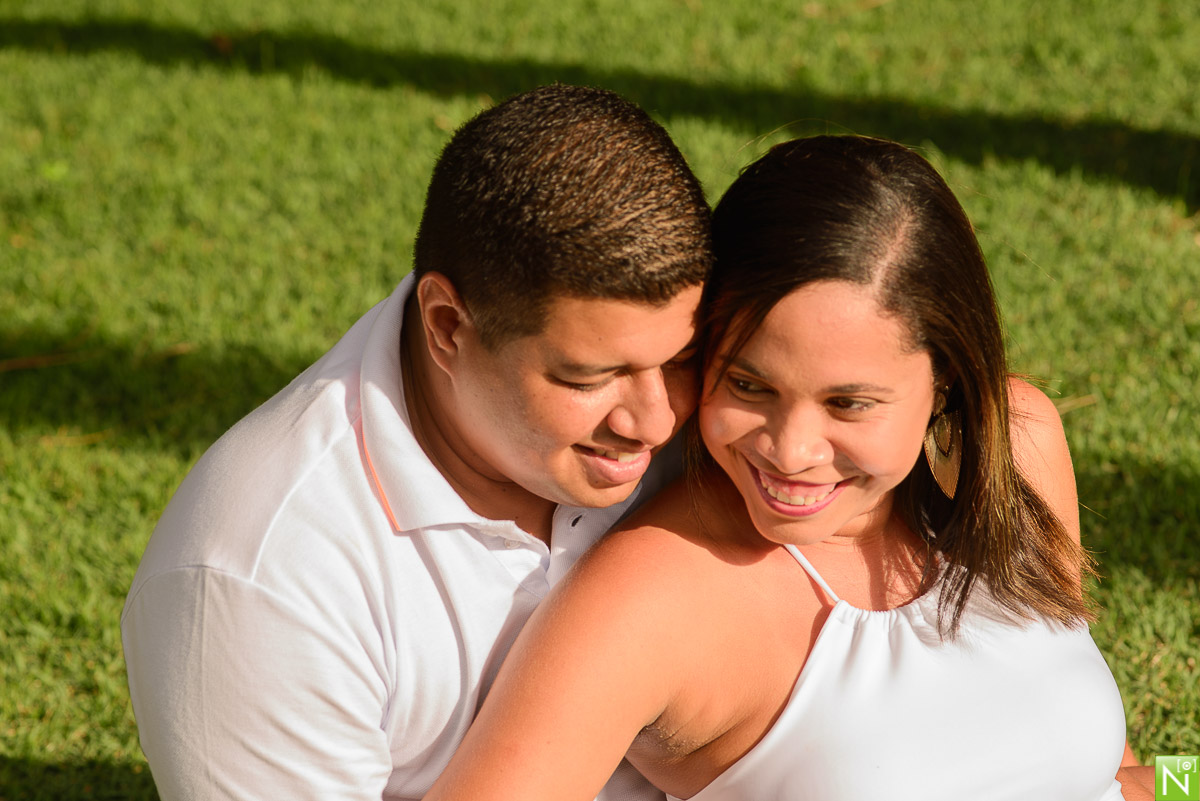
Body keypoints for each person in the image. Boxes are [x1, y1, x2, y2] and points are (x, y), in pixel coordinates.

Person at [422, 135, 1137, 801]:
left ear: (944, 377)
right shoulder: (661, 591)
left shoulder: (1016, 451)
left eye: (849, 403)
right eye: (748, 384)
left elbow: (1117, 766)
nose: (791, 451)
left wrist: (1186, 779)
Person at [120, 84, 713, 801]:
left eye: (681, 358)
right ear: (447, 326)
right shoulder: (264, 582)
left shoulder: (741, 403)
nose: (654, 421)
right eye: (589, 377)